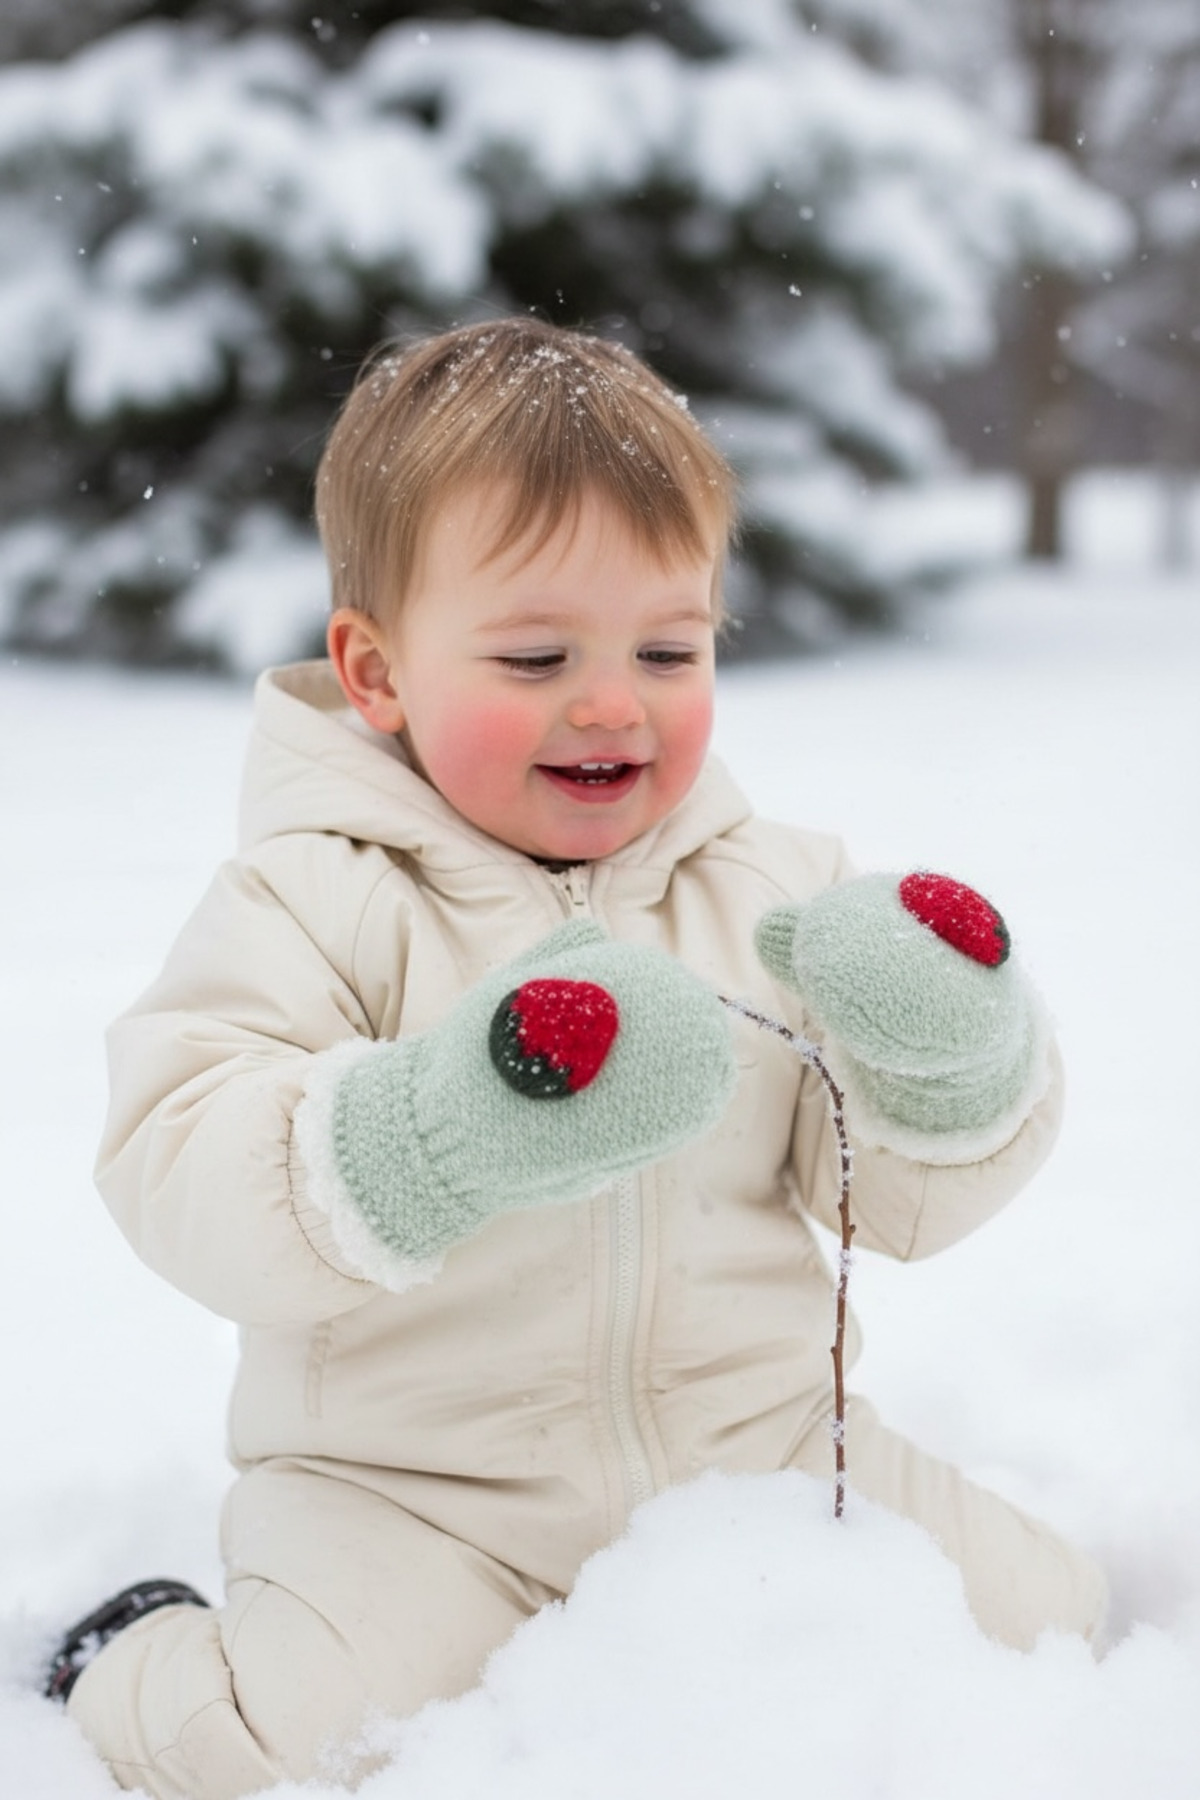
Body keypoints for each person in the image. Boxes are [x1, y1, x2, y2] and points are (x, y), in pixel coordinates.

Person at [45, 318, 1106, 1798]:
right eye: (538, 655)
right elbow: (184, 1160)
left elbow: (902, 1208)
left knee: (1049, 1620)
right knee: (288, 1743)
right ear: (377, 670)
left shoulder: (775, 893)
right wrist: (441, 1128)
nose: (613, 702)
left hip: (769, 1466)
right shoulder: (315, 900)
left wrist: (947, 1063)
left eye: (668, 650)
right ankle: (126, 1664)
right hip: (417, 1503)